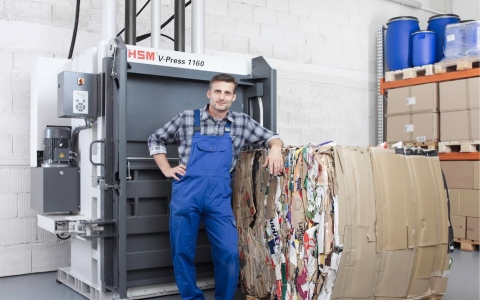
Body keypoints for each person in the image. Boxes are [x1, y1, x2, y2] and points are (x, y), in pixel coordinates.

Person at [148, 73, 283, 299]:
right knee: (182, 252)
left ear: (233, 97)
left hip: (218, 197)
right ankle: (191, 297)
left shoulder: (241, 123)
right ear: (209, 93)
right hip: (186, 194)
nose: (222, 97)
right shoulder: (187, 119)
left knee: (229, 252)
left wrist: (276, 148)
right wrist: (166, 168)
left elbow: (272, 137)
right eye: (218, 91)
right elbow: (156, 139)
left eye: (227, 93)